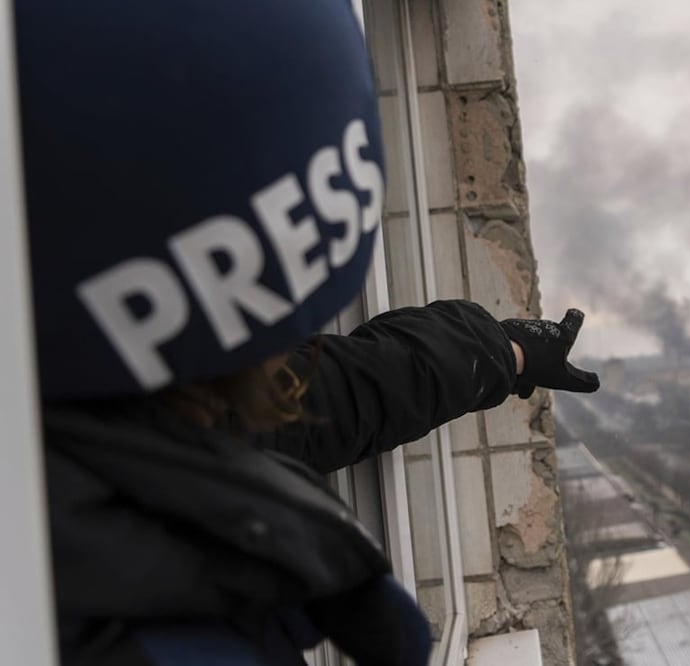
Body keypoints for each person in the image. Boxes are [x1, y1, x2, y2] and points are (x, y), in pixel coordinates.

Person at [16, 2, 599, 665]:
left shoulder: (110, 427)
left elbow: (312, 403)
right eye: (251, 342)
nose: (274, 364)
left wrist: (500, 351)